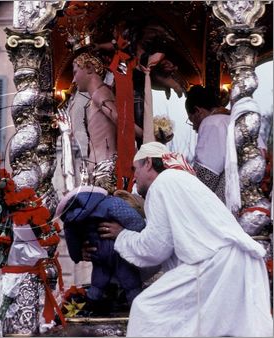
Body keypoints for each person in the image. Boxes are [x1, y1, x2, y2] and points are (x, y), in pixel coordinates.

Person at [100, 141, 273, 337]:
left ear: (148, 163)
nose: (134, 177)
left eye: (135, 168)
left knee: (146, 309)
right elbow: (167, 249)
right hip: (229, 265)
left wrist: (121, 235)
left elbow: (156, 248)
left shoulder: (162, 184)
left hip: (217, 266)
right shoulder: (177, 180)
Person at [55, 186, 145, 314]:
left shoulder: (71, 215)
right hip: (118, 251)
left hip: (97, 252)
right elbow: (135, 221)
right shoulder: (109, 202)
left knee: (98, 281)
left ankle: (92, 305)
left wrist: (77, 254)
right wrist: (133, 231)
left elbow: (71, 236)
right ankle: (138, 309)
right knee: (130, 281)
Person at [72, 52, 143, 194]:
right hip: (99, 169)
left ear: (89, 68)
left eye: (75, 72)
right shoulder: (96, 97)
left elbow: (119, 120)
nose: (73, 80)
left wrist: (144, 134)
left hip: (106, 171)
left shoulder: (100, 94)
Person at [185, 85, 230, 202]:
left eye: (192, 120)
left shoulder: (211, 123)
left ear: (198, 111)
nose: (194, 127)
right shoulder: (236, 119)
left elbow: (206, 175)